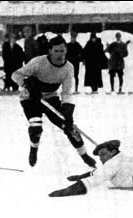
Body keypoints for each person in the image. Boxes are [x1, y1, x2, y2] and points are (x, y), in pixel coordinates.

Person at [12, 36, 97, 168]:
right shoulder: (38, 62)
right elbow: (16, 74)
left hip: (51, 97)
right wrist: (26, 83)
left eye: (62, 51)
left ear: (66, 50)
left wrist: (68, 113)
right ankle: (34, 149)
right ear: (50, 51)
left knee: (70, 128)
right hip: (31, 98)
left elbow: (67, 92)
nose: (59, 54)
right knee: (36, 127)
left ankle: (85, 156)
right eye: (56, 51)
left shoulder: (68, 67)